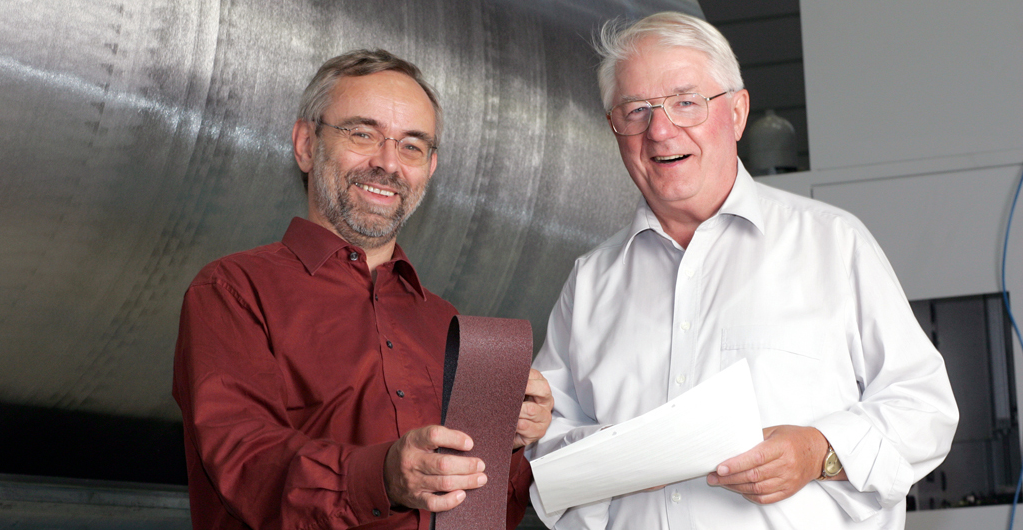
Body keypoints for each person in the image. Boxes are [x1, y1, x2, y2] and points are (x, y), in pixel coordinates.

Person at [527, 12, 958, 529]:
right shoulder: (591, 281)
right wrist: (622, 462)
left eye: (686, 102)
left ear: (736, 113)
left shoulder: (832, 244)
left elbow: (925, 410)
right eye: (636, 110)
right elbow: (545, 450)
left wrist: (818, 451)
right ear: (614, 129)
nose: (660, 130)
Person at [172, 49, 553, 530]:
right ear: (307, 144)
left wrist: (513, 442)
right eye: (362, 134)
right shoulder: (232, 290)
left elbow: (492, 512)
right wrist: (385, 476)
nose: (388, 163)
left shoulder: (450, 326)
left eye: (412, 146)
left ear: (430, 169)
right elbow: (247, 462)